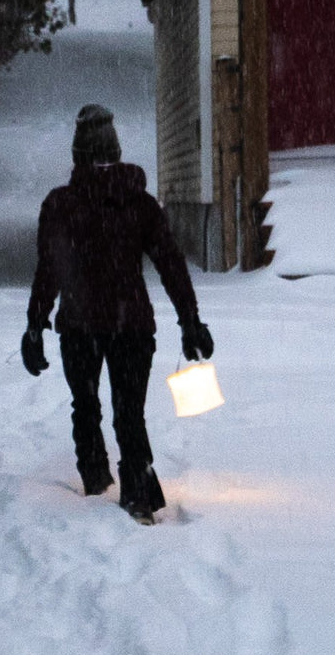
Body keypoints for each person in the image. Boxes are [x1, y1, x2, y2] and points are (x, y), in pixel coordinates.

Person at [21, 104, 213, 524]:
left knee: (85, 404)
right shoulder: (139, 203)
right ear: (117, 151)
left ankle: (94, 482)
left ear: (77, 155)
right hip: (132, 326)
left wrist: (35, 325)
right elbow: (171, 264)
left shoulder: (62, 205)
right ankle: (139, 496)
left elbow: (48, 270)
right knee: (130, 411)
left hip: (80, 325)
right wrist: (190, 320)